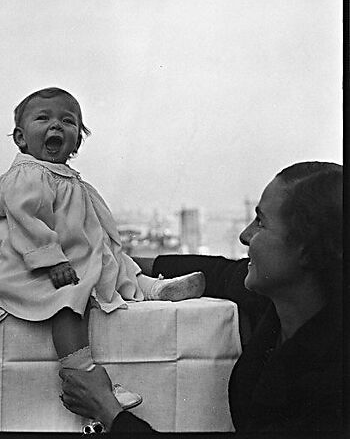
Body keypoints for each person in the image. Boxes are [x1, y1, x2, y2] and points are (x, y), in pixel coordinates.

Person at [59, 161, 343, 434]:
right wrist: (117, 265)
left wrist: (109, 412)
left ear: (307, 249)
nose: (245, 235)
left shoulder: (333, 380)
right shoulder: (282, 299)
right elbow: (217, 272)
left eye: (261, 222)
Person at [0, 87, 205, 415]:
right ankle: (82, 372)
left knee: (110, 260)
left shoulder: (67, 178)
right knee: (69, 299)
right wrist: (50, 260)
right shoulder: (27, 174)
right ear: (21, 139)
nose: (56, 126)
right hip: (24, 265)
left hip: (67, 256)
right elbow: (27, 222)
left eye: (67, 122)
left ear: (77, 141)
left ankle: (153, 286)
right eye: (43, 118)